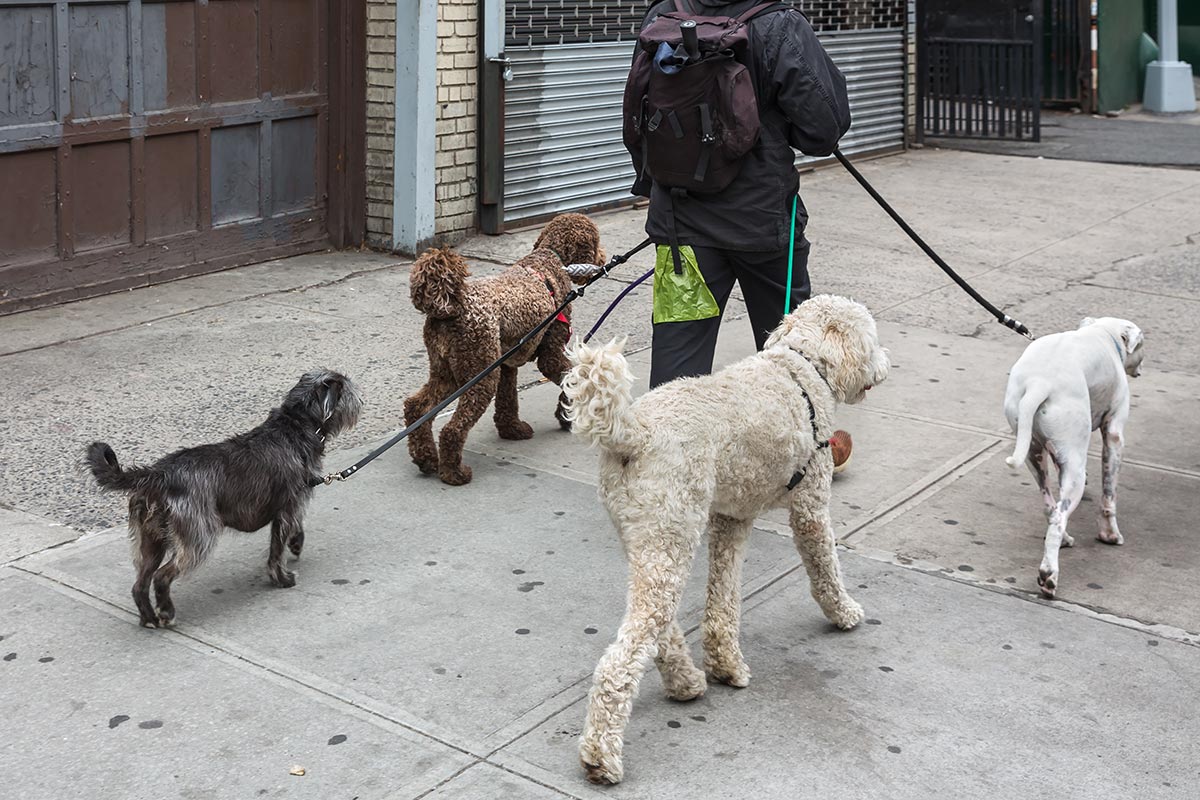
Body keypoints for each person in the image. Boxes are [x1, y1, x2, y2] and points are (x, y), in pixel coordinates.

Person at [629, 0, 854, 470]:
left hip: (680, 229)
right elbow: (825, 127)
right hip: (765, 228)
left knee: (678, 361)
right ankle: (803, 458)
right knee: (794, 356)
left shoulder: (663, 15)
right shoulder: (778, 24)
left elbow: (636, 120)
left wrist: (663, 188)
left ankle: (664, 463)